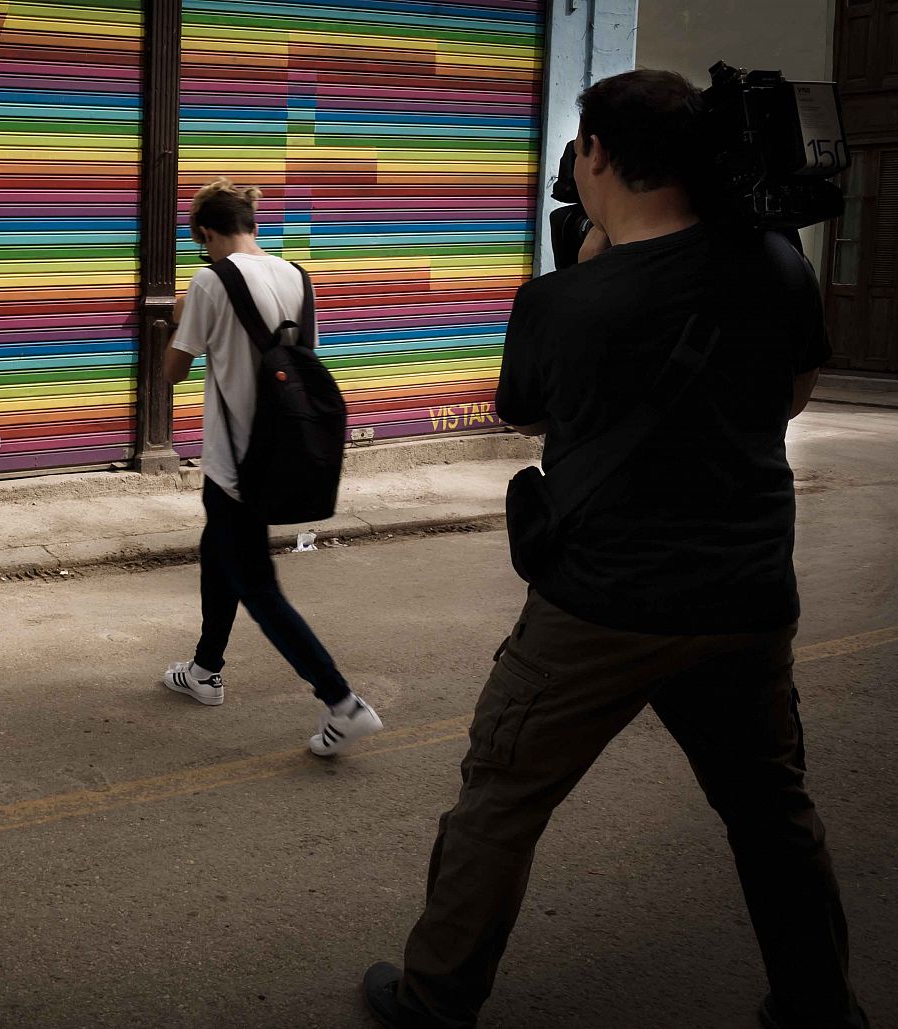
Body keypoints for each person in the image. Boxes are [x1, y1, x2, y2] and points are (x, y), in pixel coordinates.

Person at [361, 71, 867, 1029]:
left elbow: (525, 416)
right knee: (771, 813)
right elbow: (793, 393)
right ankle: (818, 1007)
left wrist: (591, 273)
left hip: (599, 605)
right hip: (747, 594)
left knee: (501, 798)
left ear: (595, 156)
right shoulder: (777, 264)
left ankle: (434, 998)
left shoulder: (562, 304)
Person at [162, 178, 383, 756]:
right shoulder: (296, 276)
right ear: (251, 223)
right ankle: (206, 670)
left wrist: (180, 315)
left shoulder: (211, 280)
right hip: (283, 450)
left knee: (257, 584)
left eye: (200, 242)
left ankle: (341, 701)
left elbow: (173, 372)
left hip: (235, 462)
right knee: (220, 553)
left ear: (206, 232)